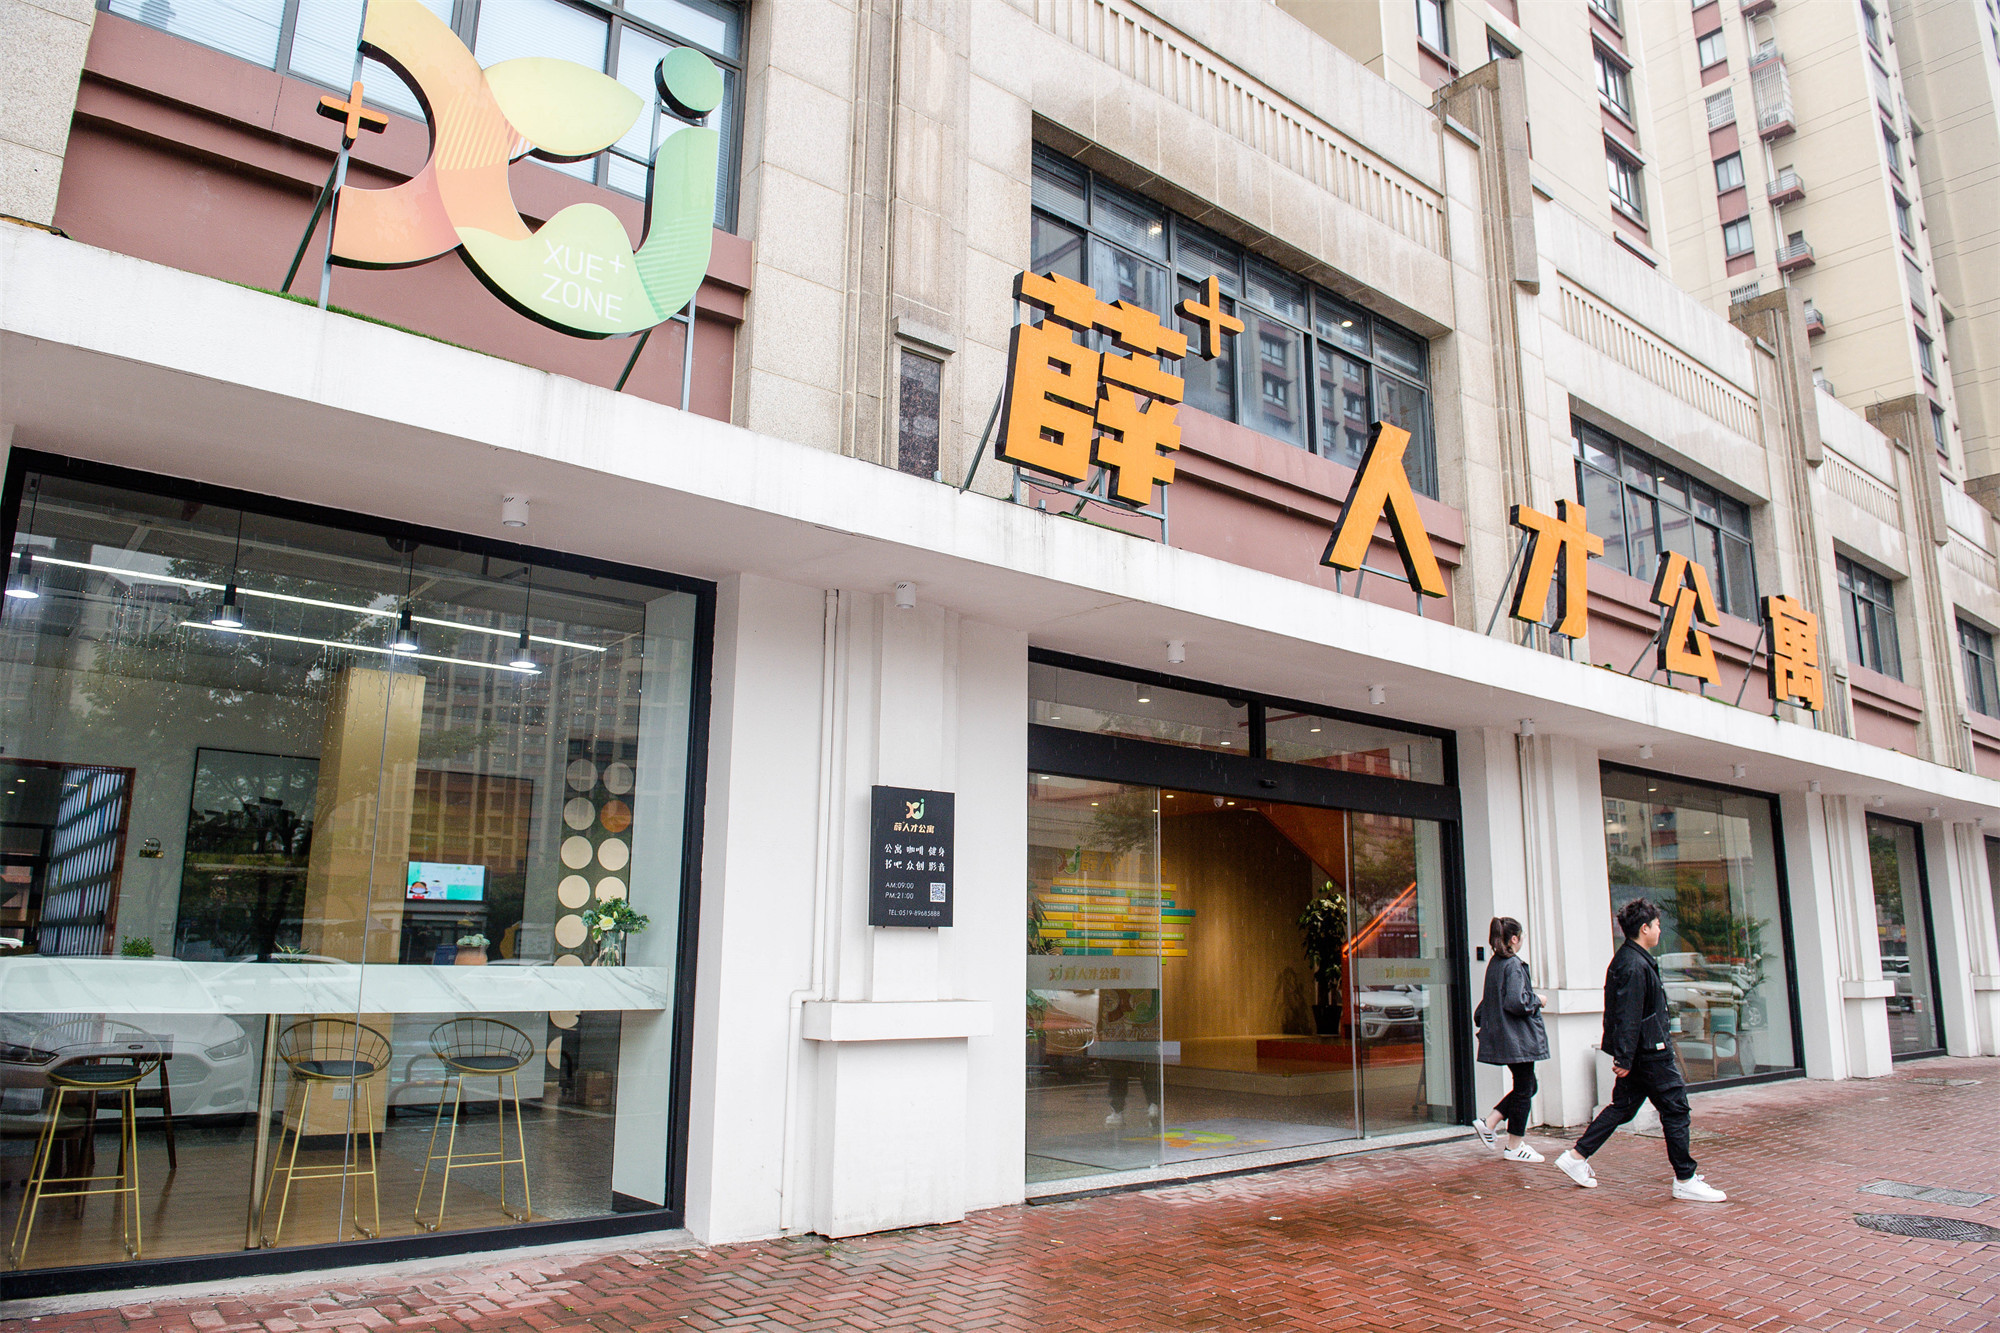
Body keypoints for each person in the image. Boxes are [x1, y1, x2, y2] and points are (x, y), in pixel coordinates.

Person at [1553, 898, 1727, 1202]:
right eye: (1657, 925)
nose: (1660, 929)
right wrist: (1624, 1057)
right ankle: (1685, 1179)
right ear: (1644, 928)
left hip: (1640, 1052)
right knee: (1676, 1109)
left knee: (1622, 1107)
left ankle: (1576, 1157)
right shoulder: (1634, 964)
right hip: (1649, 1053)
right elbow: (1628, 1014)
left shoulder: (1631, 959)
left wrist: (1625, 1056)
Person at [1471, 916, 1548, 1162]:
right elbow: (1516, 1001)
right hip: (1518, 1037)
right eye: (1521, 936)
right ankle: (1514, 1146)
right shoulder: (1513, 964)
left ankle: (1490, 1122)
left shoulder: (1495, 963)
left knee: (1528, 1086)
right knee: (1525, 1089)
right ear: (1514, 939)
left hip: (1506, 1036)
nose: (1522, 940)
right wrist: (1538, 1000)